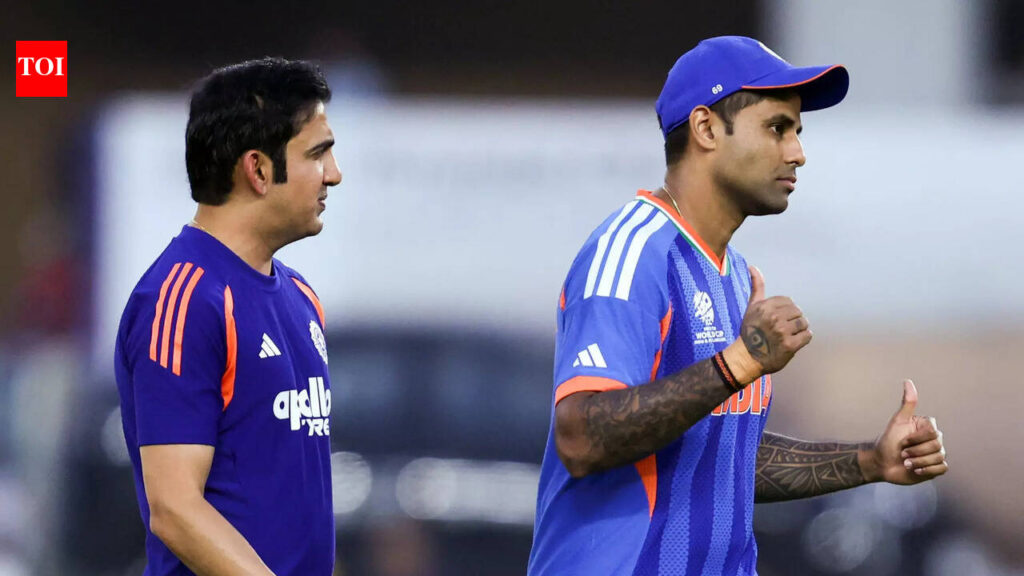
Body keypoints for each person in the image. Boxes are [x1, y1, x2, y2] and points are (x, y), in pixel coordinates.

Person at [528, 36, 948, 575]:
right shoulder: (633, 253)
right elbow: (581, 436)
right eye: (777, 128)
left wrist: (869, 461)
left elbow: (720, 456)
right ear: (706, 129)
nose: (797, 153)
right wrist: (739, 363)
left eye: (797, 132)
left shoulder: (733, 275)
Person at [114, 57, 341, 576]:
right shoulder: (184, 299)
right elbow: (174, 509)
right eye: (317, 153)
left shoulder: (301, 296)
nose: (334, 173)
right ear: (257, 170)